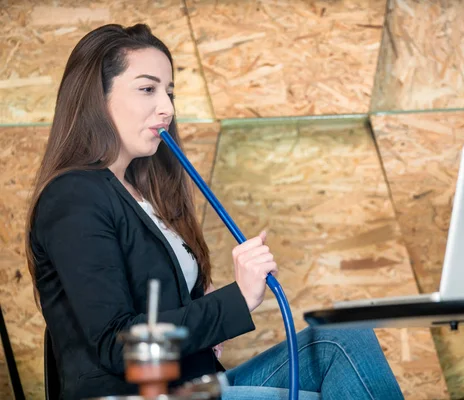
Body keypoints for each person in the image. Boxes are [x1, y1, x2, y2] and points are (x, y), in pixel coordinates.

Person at [25, 23, 404, 400]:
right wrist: (236, 299)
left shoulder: (141, 195)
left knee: (344, 337)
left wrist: (202, 321)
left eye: (169, 93)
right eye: (147, 89)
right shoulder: (74, 195)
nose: (167, 108)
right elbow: (116, 344)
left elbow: (159, 313)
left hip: (194, 382)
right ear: (97, 98)